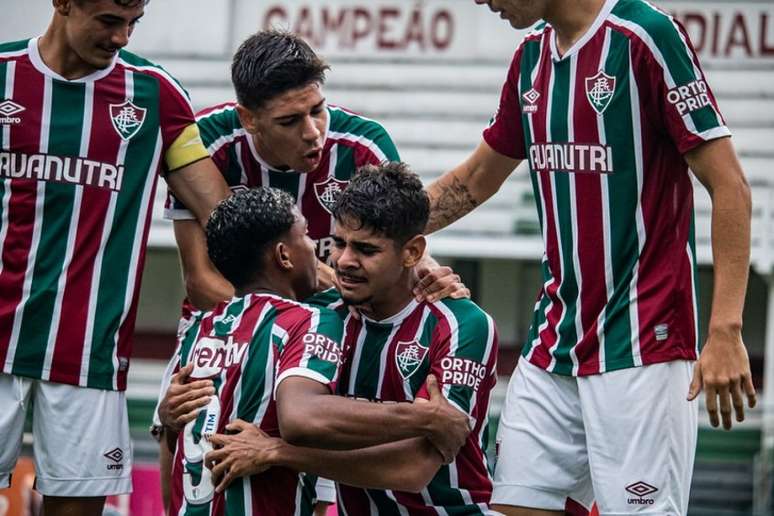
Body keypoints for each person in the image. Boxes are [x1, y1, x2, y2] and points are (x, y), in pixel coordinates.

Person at [421, 0, 757, 514]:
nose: (480, 0)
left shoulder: (645, 35)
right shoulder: (530, 57)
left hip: (644, 342)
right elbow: (475, 179)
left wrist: (726, 329)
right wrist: (382, 228)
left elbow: (730, 185)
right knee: (515, 505)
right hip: (555, 340)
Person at [154, 29, 468, 511]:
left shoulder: (362, 144)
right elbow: (201, 281)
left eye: (317, 110)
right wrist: (276, 338)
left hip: (332, 325)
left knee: (324, 450)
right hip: (221, 325)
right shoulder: (211, 141)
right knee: (174, 420)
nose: (312, 131)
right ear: (249, 119)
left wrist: (427, 274)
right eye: (289, 120)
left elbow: (396, 253)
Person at [0, 1, 230, 515]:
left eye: (134, 22)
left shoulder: (155, 94)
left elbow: (223, 213)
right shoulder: (3, 76)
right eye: (109, 20)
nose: (122, 37)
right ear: (62, 3)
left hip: (91, 353)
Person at [204, 162, 499, 515]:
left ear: (412, 252)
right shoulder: (320, 316)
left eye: (366, 250)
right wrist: (172, 407)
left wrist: (277, 452)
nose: (344, 261)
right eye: (340, 243)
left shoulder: (461, 325)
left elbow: (411, 468)